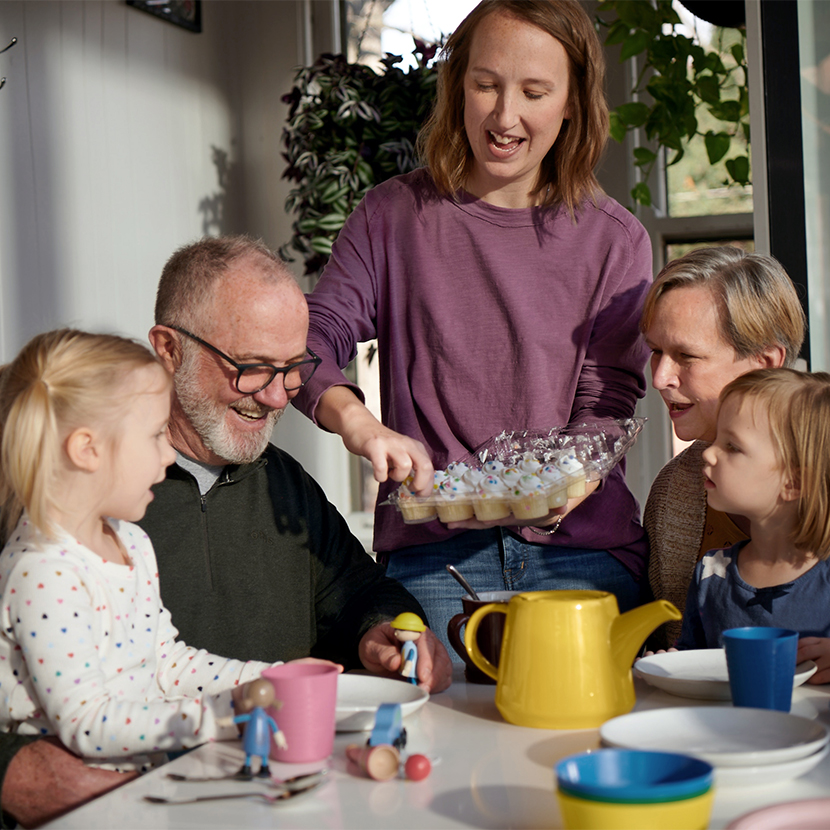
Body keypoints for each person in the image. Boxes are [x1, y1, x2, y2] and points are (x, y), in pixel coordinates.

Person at [0, 235, 452, 827]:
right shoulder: (55, 520)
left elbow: (360, 592)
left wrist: (384, 634)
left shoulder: (285, 485)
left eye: (292, 371)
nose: (273, 397)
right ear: (167, 349)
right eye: (251, 368)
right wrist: (17, 773)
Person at [293, 0, 653, 657]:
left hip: (583, 559)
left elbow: (608, 399)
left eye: (534, 91)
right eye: (485, 84)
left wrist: (566, 480)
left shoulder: (614, 239)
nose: (505, 116)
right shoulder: (393, 217)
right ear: (457, 84)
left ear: (573, 102)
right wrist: (358, 421)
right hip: (436, 564)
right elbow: (308, 340)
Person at [0, 329, 278, 773]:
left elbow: (165, 663)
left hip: (137, 786)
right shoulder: (43, 572)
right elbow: (87, 722)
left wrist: (269, 680)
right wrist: (224, 716)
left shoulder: (131, 542)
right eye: (154, 436)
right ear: (87, 449)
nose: (169, 455)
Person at [641, 246, 806, 648]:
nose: (661, 377)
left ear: (766, 363)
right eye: (655, 351)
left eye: (686, 356)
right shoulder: (675, 493)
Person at [675, 369, 830, 684]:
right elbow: (694, 662)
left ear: (793, 483)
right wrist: (670, 667)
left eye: (732, 446)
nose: (709, 452)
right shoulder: (710, 572)